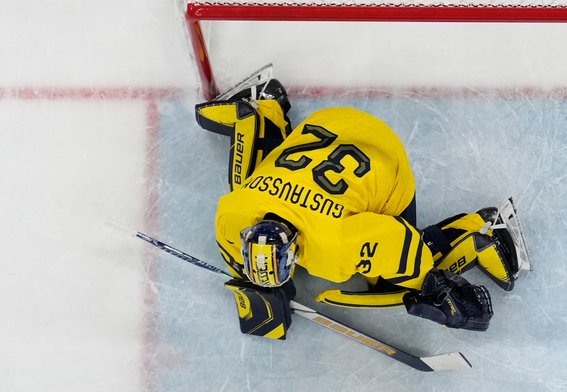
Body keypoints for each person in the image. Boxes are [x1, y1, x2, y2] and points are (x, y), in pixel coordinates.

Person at [195, 69, 530, 339]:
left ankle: (483, 228)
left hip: (383, 152)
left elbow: (401, 247)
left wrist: (437, 292)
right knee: (247, 183)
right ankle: (263, 108)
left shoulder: (338, 244)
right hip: (326, 125)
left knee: (389, 284)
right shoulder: (234, 211)